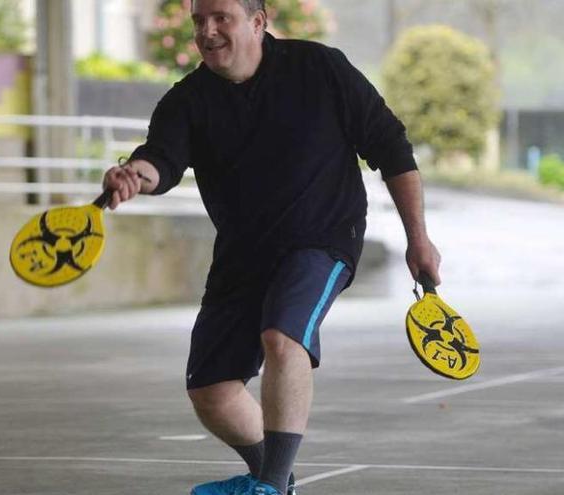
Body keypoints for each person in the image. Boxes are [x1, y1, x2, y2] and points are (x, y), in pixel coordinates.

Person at [101, 0, 441, 493]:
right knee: (211, 391)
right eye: (199, 20)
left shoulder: (320, 69)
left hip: (322, 236)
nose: (208, 30)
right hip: (243, 250)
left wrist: (419, 237)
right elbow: (161, 160)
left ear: (258, 23)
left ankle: (273, 486)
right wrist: (135, 175)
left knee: (283, 336)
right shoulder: (188, 100)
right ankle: (271, 476)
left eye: (222, 18)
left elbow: (391, 149)